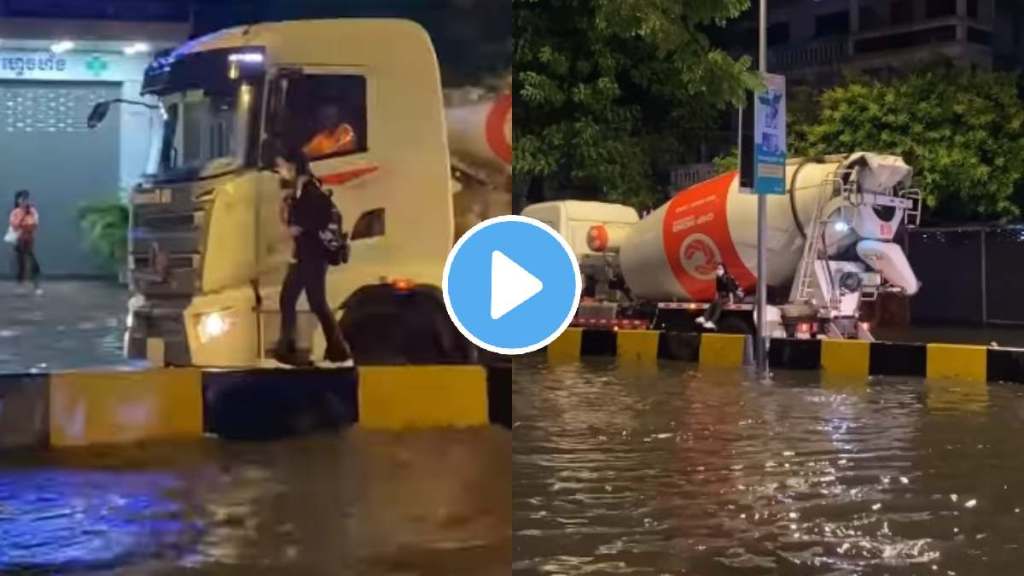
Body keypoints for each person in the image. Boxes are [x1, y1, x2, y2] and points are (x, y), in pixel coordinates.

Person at [272, 145, 354, 368]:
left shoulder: (311, 191)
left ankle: (336, 350)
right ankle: (291, 347)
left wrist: (300, 227)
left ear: (293, 166)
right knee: (292, 298)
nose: (279, 171)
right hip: (305, 256)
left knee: (313, 302)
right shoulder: (299, 190)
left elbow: (319, 218)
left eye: (281, 166)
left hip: (313, 256)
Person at [8, 190, 42, 295]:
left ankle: (36, 286)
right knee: (20, 263)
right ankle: (20, 285)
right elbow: (14, 225)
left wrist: (27, 222)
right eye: (22, 199)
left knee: (33, 263)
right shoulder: (15, 212)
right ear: (17, 200)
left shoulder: (32, 211)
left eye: (26, 199)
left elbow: (35, 223)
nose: (24, 201)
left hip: (29, 240)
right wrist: (23, 219)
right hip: (19, 240)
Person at [697, 263, 743, 331]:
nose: (718, 270)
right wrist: (716, 298)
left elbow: (730, 290)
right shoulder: (718, 278)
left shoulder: (727, 277)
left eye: (720, 269)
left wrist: (731, 301)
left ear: (724, 270)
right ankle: (704, 318)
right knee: (716, 302)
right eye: (717, 269)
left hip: (735, 296)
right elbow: (718, 291)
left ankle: (712, 321)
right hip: (726, 296)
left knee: (719, 302)